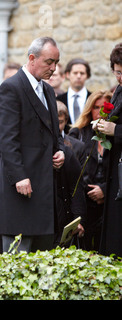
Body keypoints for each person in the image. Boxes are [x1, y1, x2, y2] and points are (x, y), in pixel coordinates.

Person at [0, 37, 65, 253]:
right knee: (17, 265)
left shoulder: (48, 91)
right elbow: (6, 139)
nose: (53, 68)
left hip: (45, 189)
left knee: (43, 266)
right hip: (21, 189)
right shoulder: (11, 87)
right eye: (49, 62)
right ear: (32, 58)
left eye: (56, 63)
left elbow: (55, 133)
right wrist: (18, 176)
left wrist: (60, 151)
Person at [69, 90, 113, 251]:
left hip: (109, 201)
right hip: (84, 202)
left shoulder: (115, 136)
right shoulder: (78, 134)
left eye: (104, 108)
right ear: (89, 109)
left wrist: (104, 190)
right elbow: (73, 172)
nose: (100, 112)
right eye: (96, 107)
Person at [97, 43, 122, 258]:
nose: (120, 77)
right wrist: (102, 127)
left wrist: (116, 130)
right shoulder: (119, 91)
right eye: (118, 72)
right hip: (115, 170)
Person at [54, 102, 86, 248]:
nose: (57, 126)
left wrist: (77, 219)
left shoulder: (70, 149)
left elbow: (76, 185)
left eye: (60, 122)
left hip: (64, 208)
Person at [57, 58, 92, 129]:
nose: (78, 76)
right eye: (75, 73)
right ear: (67, 74)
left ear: (87, 76)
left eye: (82, 73)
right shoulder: (58, 100)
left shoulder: (92, 99)